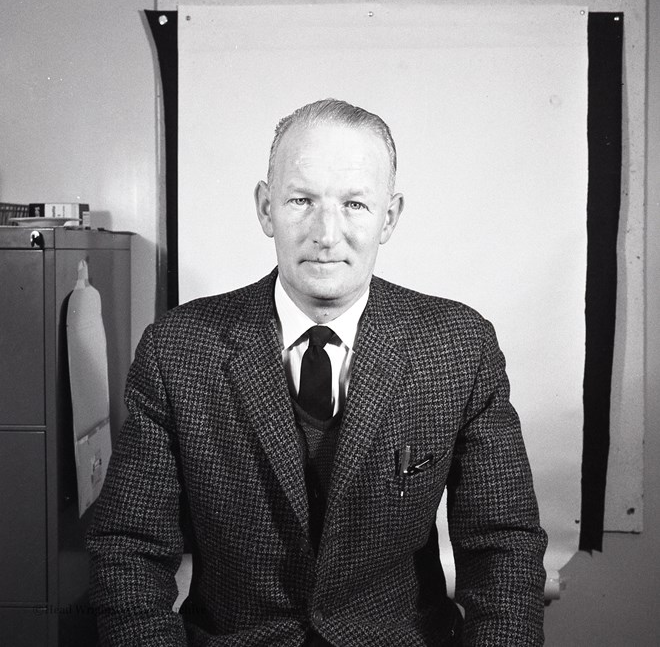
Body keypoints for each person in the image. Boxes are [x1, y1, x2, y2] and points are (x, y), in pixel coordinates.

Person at [87, 98, 547, 646]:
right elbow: (128, 549)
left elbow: (504, 547)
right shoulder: (178, 348)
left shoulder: (458, 347)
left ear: (389, 217)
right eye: (301, 200)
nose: (327, 234)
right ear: (266, 209)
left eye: (355, 204)